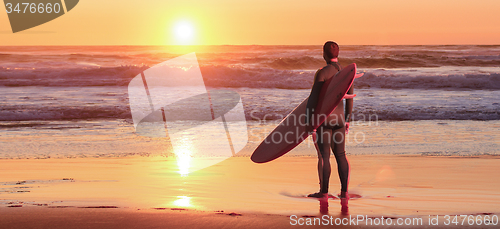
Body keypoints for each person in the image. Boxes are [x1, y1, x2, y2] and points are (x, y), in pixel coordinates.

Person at [305, 41, 353, 199]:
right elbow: (349, 99)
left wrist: (310, 121)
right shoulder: (347, 73)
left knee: (324, 156)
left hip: (324, 120)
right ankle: (344, 193)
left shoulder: (322, 73)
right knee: (341, 155)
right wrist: (347, 119)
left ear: (323, 54)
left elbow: (313, 99)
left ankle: (324, 192)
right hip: (340, 120)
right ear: (338, 54)